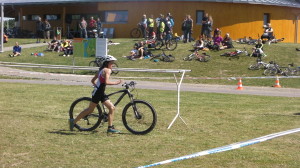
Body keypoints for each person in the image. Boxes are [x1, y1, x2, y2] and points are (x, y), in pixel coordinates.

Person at [69, 55, 122, 134]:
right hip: (98, 93)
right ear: (107, 63)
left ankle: (110, 128)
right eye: (111, 63)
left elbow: (93, 80)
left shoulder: (101, 70)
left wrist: (97, 87)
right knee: (90, 110)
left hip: (99, 92)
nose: (113, 64)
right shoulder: (107, 70)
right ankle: (73, 122)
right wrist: (116, 82)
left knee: (112, 108)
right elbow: (106, 82)